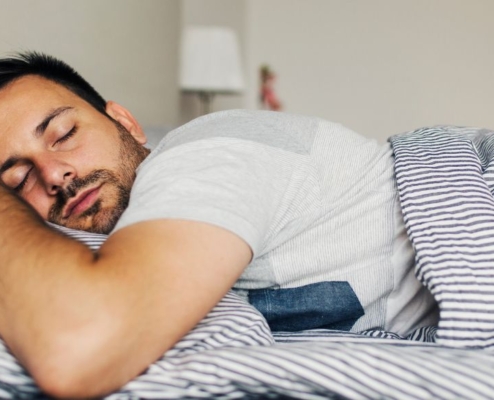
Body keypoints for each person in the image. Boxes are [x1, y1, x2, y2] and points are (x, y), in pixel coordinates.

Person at [0, 52, 438, 398]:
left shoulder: (209, 150)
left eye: (63, 134)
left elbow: (80, 348)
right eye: (18, 182)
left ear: (126, 124)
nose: (55, 174)